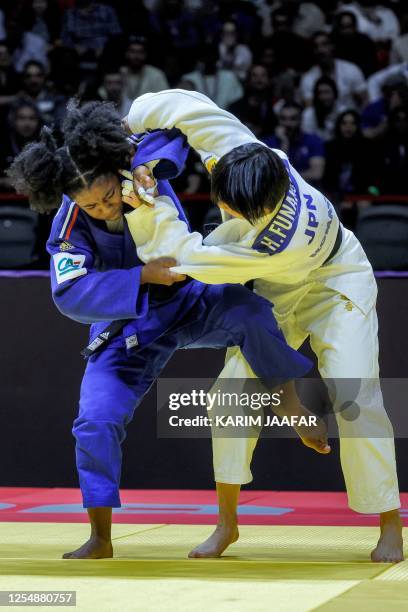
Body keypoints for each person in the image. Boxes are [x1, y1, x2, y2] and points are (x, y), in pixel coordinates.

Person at [7, 100, 328, 560]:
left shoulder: (134, 166)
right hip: (131, 326)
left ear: (113, 171)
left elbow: (172, 133)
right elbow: (69, 294)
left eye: (107, 196)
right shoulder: (69, 226)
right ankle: (100, 536)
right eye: (90, 205)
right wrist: (140, 277)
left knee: (252, 312)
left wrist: (147, 166)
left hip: (192, 299)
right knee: (95, 420)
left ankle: (290, 402)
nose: (103, 208)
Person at [123, 88, 403, 562]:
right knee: (230, 395)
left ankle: (389, 524)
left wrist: (149, 205)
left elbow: (179, 258)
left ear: (259, 209)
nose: (225, 210)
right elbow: (190, 106)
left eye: (232, 209)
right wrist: (129, 127)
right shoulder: (253, 157)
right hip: (281, 287)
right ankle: (227, 525)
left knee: (355, 395)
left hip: (338, 280)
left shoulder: (268, 245)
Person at [300, 31, 367, 109]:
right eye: (316, 46)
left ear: (332, 46)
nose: (320, 50)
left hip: (350, 118)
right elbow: (310, 108)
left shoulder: (351, 69)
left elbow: (364, 100)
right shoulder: (308, 78)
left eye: (324, 44)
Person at [264, 102, 325, 185]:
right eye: (283, 118)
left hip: (307, 190)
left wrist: (287, 176)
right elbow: (271, 174)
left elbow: (317, 174)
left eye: (293, 119)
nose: (287, 123)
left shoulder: (313, 140)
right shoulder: (268, 143)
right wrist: (284, 143)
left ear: (301, 120)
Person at [302, 77, 345, 142]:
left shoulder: (343, 112)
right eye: (320, 93)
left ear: (335, 93)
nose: (323, 97)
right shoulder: (308, 114)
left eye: (327, 92)